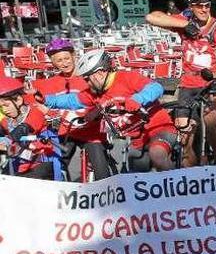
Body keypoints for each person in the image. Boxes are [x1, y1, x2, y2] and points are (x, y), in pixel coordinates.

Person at [145, 0, 216, 167]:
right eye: (199, 4)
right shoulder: (184, 21)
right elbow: (152, 17)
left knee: (210, 123)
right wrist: (185, 24)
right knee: (184, 134)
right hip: (188, 84)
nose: (204, 8)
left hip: (211, 82)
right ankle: (191, 174)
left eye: (207, 4)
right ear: (190, 6)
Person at [74, 50, 176, 172]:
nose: (87, 84)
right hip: (136, 139)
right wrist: (46, 99)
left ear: (99, 73)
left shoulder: (127, 77)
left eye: (87, 79)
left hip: (159, 128)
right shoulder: (96, 93)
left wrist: (138, 99)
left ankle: (180, 187)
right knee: (136, 173)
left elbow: (156, 87)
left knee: (157, 154)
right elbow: (71, 100)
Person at [32, 38, 112, 181]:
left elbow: (104, 98)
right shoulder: (49, 83)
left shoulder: (88, 77)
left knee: (101, 170)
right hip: (66, 131)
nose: (64, 63)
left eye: (67, 58)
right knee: (53, 166)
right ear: (52, 62)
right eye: (59, 60)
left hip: (90, 131)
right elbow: (34, 101)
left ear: (74, 55)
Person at [0, 76, 61, 180]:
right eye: (1, 107)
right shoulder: (6, 121)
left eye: (6, 105)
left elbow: (24, 128)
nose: (4, 110)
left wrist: (7, 141)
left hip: (40, 164)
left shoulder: (35, 113)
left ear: (18, 100)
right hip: (18, 164)